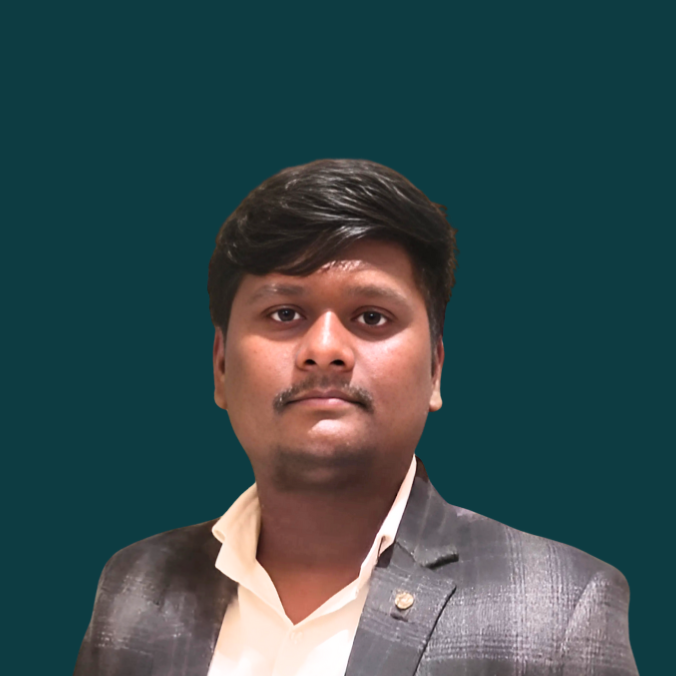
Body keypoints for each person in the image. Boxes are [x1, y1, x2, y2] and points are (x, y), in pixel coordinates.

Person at [73, 159, 638, 676]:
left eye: (371, 317)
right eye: (285, 313)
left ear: (435, 369)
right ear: (220, 365)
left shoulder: (559, 610)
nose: (325, 349)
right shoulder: (134, 589)